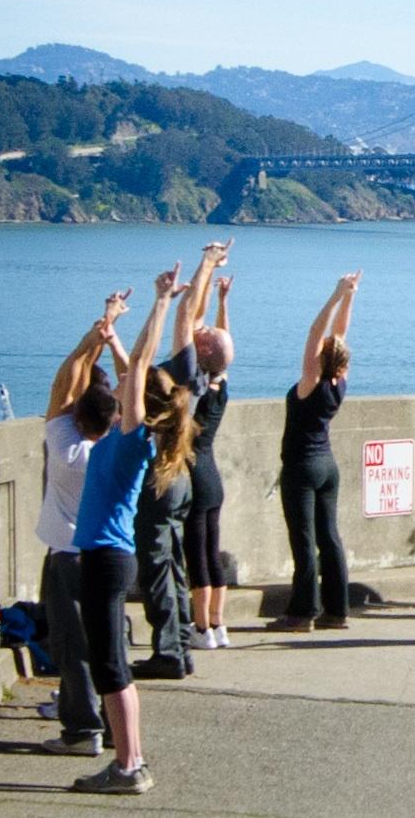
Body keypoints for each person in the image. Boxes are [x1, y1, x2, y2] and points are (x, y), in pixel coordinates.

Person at [71, 263, 195, 796]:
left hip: (103, 557)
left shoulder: (127, 439)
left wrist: (162, 300)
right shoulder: (141, 433)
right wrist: (113, 331)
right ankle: (132, 761)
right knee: (113, 663)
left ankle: (126, 767)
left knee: (110, 666)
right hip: (111, 556)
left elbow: (141, 364)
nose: (122, 383)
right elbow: (134, 369)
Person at [132, 239, 233, 680]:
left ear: (204, 350)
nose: (202, 327)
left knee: (161, 564)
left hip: (164, 475)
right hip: (185, 477)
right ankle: (179, 644)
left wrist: (205, 263)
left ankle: (169, 650)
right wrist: (208, 278)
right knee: (176, 562)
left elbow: (185, 317)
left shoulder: (186, 368)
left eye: (206, 335)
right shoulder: (202, 374)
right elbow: (196, 316)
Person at [36, 291, 129, 757]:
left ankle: (81, 732)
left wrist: (97, 331)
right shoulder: (119, 454)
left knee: (72, 647)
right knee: (109, 646)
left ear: (77, 415)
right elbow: (129, 387)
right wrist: (112, 336)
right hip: (112, 557)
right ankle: (114, 729)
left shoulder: (68, 451)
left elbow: (66, 379)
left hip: (69, 559)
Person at [268, 272, 361, 633]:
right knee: (330, 537)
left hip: (301, 467)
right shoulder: (339, 384)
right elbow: (338, 336)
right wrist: (350, 297)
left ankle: (303, 611)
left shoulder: (310, 384)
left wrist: (336, 293)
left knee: (304, 540)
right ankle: (337, 609)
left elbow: (314, 334)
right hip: (327, 466)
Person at [185, 272, 234, 649]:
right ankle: (219, 625)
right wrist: (222, 301)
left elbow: (202, 343)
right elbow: (222, 346)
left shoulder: (197, 391)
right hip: (213, 476)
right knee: (212, 550)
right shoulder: (221, 387)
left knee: (196, 553)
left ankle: (201, 628)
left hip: (195, 474)